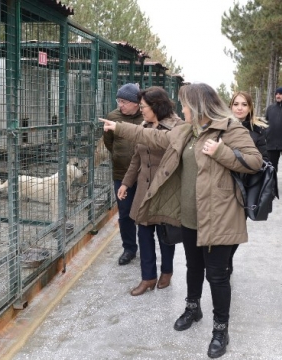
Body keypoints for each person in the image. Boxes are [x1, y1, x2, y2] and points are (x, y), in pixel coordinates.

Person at [101, 83, 262, 358]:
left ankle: (220, 329)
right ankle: (192, 307)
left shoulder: (230, 129)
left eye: (185, 105)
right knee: (192, 266)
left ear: (198, 106)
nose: (182, 109)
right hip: (189, 215)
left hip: (219, 216)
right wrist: (118, 128)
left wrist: (220, 152)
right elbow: (148, 136)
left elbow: (255, 161)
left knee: (217, 275)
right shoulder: (187, 131)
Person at [117, 86, 183, 296]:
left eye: (144, 106)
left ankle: (167, 271)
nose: (141, 110)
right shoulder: (144, 124)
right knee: (144, 234)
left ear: (156, 106)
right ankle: (148, 278)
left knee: (165, 236)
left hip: (165, 190)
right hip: (144, 190)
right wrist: (126, 184)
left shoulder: (176, 127)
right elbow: (136, 159)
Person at [227, 91, 269, 275]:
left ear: (250, 107)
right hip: (221, 186)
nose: (240, 108)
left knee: (236, 229)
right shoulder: (222, 128)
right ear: (230, 106)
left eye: (244, 104)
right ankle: (222, 263)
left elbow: (264, 161)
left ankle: (227, 261)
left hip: (244, 189)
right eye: (236, 104)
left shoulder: (258, 133)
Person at [103, 83, 144, 265]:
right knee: (125, 212)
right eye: (119, 101)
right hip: (121, 174)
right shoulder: (113, 117)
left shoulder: (147, 116)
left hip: (144, 175)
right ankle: (129, 248)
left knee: (144, 213)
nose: (121, 105)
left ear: (136, 103)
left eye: (124, 102)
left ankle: (146, 247)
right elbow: (109, 143)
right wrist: (121, 156)